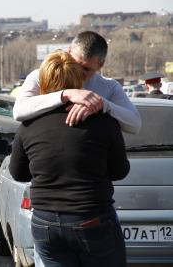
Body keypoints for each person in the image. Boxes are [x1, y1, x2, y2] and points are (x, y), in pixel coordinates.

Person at [10, 50, 130, 267]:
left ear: (44, 83)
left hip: (44, 222)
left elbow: (18, 172)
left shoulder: (28, 126)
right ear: (80, 82)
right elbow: (120, 171)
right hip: (92, 218)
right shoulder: (104, 122)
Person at [13, 31, 141, 134]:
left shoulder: (110, 87)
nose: (79, 72)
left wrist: (101, 104)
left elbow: (135, 125)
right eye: (75, 64)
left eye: (86, 69)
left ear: (100, 64)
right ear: (69, 52)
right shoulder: (41, 76)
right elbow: (19, 111)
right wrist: (65, 95)